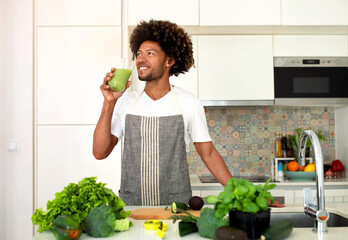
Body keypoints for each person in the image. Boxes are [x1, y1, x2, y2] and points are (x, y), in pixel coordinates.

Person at [93, 19, 233, 206]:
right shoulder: (126, 102)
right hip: (133, 209)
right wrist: (109, 102)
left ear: (170, 60)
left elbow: (208, 154)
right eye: (139, 53)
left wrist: (242, 192)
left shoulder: (189, 103)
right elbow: (100, 152)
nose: (141, 59)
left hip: (176, 210)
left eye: (150, 53)